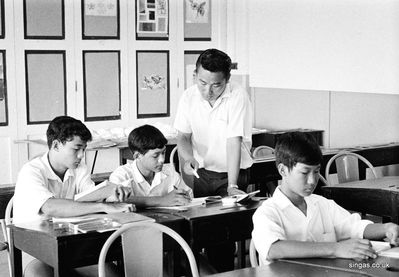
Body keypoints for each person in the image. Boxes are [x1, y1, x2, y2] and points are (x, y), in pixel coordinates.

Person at [252, 132, 399, 265]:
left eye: (316, 172)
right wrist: (336, 249)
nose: (312, 180)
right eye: (305, 173)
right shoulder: (267, 212)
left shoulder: (322, 204)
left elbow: (354, 227)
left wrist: (386, 228)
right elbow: (274, 248)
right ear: (282, 170)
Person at [13, 116, 132, 277]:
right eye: (76, 149)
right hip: (36, 251)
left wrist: (111, 196)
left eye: (84, 149)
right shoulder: (31, 171)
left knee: (111, 274)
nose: (82, 155)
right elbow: (51, 207)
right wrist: (102, 206)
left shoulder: (78, 168)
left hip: (71, 245)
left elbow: (90, 197)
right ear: (55, 145)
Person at [174, 48, 253, 198]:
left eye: (216, 85)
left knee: (228, 217)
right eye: (202, 83)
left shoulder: (238, 96)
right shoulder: (188, 96)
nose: (207, 91)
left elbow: (233, 141)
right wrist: (189, 158)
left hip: (232, 173)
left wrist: (232, 185)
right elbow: (183, 136)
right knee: (202, 218)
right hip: (203, 173)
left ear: (227, 79)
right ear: (194, 76)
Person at [109, 124, 192, 207]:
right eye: (155, 156)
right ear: (137, 156)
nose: (162, 160)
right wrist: (162, 200)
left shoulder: (170, 173)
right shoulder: (121, 176)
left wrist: (183, 197)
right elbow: (115, 201)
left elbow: (188, 197)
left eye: (163, 152)